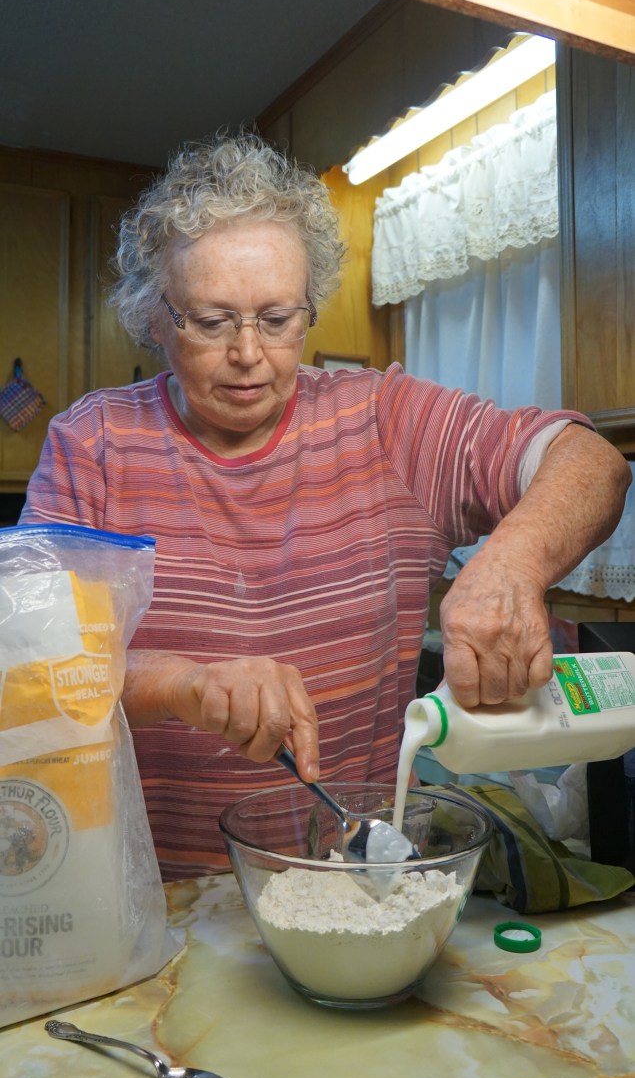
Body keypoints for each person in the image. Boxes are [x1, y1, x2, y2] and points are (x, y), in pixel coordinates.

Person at [20, 131, 630, 879]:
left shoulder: (383, 420)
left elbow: (591, 463)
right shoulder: (94, 443)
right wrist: (190, 684)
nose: (249, 352)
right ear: (155, 317)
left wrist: (509, 564)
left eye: (276, 319)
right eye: (211, 322)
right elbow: (37, 670)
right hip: (146, 890)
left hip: (346, 877)